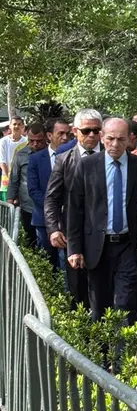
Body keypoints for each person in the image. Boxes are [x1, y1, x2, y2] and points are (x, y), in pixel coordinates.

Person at [66, 118, 137, 325]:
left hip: (129, 245)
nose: (115, 144)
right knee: (99, 305)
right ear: (102, 137)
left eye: (121, 139)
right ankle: (101, 356)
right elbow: (75, 209)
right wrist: (74, 249)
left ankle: (120, 356)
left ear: (130, 139)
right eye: (110, 139)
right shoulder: (87, 165)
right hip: (97, 247)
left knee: (125, 303)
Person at [45, 109, 103, 307]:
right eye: (87, 131)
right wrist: (53, 229)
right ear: (75, 131)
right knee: (77, 288)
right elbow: (52, 198)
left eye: (97, 130)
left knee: (105, 291)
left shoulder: (113, 157)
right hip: (74, 234)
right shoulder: (64, 159)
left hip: (107, 234)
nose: (92, 135)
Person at [28, 119, 71, 269]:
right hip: (43, 221)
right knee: (48, 264)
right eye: (60, 133)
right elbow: (33, 190)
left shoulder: (75, 157)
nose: (65, 138)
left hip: (70, 221)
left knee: (68, 266)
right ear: (49, 135)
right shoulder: (36, 159)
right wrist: (52, 209)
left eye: (68, 134)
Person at [8, 123, 46, 245]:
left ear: (46, 137)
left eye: (39, 141)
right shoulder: (20, 154)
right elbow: (14, 179)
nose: (35, 144)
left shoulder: (53, 154)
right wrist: (10, 200)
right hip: (27, 206)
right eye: (31, 141)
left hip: (47, 205)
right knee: (31, 240)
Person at [0, 116, 27, 199]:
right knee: (6, 206)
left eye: (19, 124)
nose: (16, 126)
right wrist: (10, 179)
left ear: (22, 126)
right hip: (6, 178)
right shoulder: (3, 141)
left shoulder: (26, 141)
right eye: (14, 124)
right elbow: (2, 161)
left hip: (22, 180)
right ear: (10, 126)